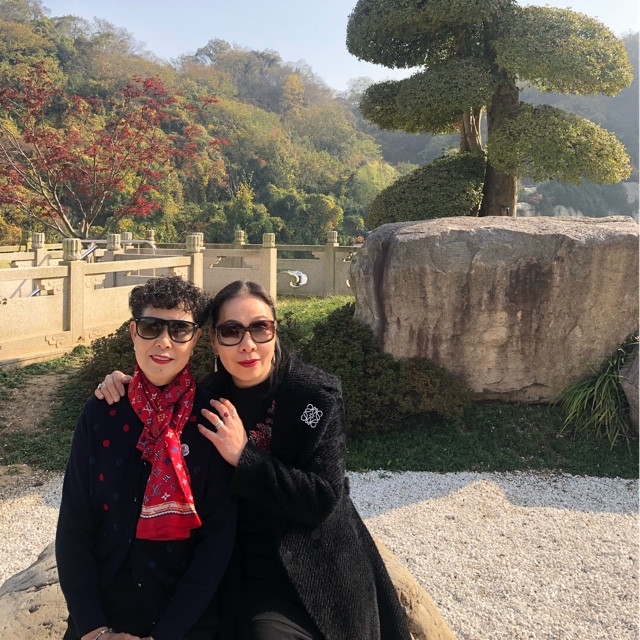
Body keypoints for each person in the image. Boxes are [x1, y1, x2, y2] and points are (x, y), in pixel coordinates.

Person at [96, 280, 411, 640]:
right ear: (213, 340)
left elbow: (322, 498)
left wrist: (244, 457)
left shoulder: (313, 397)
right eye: (231, 331)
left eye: (260, 328)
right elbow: (155, 396)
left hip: (313, 567)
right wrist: (122, 384)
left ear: (275, 332)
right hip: (235, 569)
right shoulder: (202, 400)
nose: (248, 344)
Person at [57, 276, 237, 640]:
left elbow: (216, 542)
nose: (164, 342)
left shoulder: (212, 420)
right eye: (151, 327)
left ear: (195, 339)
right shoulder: (102, 412)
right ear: (133, 332)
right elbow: (75, 526)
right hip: (102, 612)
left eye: (179, 330)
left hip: (185, 619)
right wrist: (95, 630)